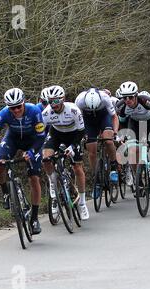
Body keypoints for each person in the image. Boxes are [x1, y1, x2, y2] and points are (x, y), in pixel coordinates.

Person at [0, 88, 45, 235]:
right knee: (0, 163)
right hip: (12, 139)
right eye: (12, 108)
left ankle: (34, 218)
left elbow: (41, 136)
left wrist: (32, 151)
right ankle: (6, 193)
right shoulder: (3, 113)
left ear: (24, 103)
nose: (16, 110)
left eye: (18, 106)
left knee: (34, 178)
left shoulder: (34, 111)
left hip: (32, 142)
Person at [41, 85, 90, 220]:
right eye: (50, 101)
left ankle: (82, 203)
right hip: (56, 135)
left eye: (56, 101)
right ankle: (53, 182)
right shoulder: (46, 113)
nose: (53, 104)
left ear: (62, 99)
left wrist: (73, 147)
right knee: (45, 158)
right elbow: (39, 133)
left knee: (77, 168)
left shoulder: (74, 110)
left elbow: (81, 132)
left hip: (74, 135)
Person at [75, 88, 119, 200]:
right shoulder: (79, 100)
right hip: (88, 120)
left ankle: (114, 166)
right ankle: (97, 178)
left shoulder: (105, 98)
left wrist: (115, 132)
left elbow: (114, 117)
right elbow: (75, 119)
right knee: (92, 150)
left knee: (108, 140)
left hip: (104, 117)